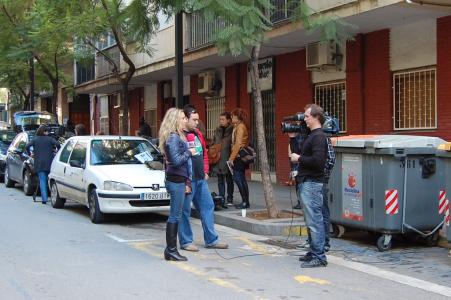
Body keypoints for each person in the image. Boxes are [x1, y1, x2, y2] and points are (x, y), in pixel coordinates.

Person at [178, 104, 228, 252]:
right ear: (185, 119)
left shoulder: (198, 133)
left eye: (198, 120)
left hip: (200, 178)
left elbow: (204, 153)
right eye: (194, 120)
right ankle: (186, 241)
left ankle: (211, 239)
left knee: (207, 207)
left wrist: (206, 170)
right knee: (185, 210)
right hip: (187, 179)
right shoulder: (179, 135)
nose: (196, 122)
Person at [290, 103, 328, 268]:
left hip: (312, 183)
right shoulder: (311, 135)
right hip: (306, 182)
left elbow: (318, 162)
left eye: (306, 116)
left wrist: (299, 159)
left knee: (314, 220)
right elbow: (299, 151)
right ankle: (313, 251)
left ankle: (319, 256)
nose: (304, 119)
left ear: (316, 117)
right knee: (310, 220)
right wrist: (292, 138)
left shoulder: (319, 137)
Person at [159, 108, 195, 261]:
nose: (185, 120)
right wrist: (189, 153)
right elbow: (175, 160)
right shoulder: (173, 137)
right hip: (175, 181)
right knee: (175, 215)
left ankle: (171, 250)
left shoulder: (176, 136)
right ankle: (171, 250)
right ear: (174, 120)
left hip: (178, 179)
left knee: (176, 215)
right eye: (182, 118)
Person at [25, 125, 60, 204]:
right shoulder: (50, 139)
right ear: (44, 132)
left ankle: (44, 199)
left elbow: (27, 146)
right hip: (49, 163)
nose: (48, 133)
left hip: (39, 163)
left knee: (42, 181)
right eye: (47, 131)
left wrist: (30, 153)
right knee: (51, 180)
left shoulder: (35, 139)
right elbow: (58, 144)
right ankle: (53, 197)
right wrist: (57, 151)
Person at [227, 108, 250, 209]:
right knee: (241, 179)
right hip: (239, 156)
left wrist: (231, 158)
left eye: (233, 116)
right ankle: (245, 201)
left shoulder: (240, 127)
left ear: (237, 117)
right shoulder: (238, 126)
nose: (231, 118)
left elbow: (238, 143)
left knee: (238, 178)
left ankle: (245, 202)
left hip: (239, 156)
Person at [211, 112, 234, 207]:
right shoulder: (217, 131)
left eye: (223, 119)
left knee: (229, 179)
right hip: (218, 158)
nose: (221, 121)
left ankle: (230, 198)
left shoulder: (232, 130)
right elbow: (213, 142)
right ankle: (221, 197)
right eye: (220, 119)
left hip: (228, 158)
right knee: (220, 179)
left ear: (228, 120)